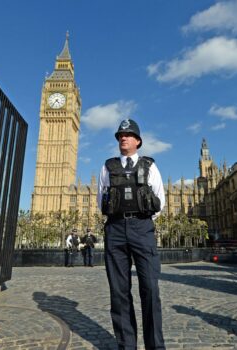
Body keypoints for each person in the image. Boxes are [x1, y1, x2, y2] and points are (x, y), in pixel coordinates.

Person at [97, 118, 166, 350]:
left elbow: (160, 201)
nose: (122, 138)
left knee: (150, 289)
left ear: (138, 140)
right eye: (120, 135)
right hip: (115, 230)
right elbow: (101, 200)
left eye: (127, 135)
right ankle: (127, 346)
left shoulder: (150, 166)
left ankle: (155, 346)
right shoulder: (108, 167)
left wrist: (141, 220)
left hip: (142, 229)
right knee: (119, 292)